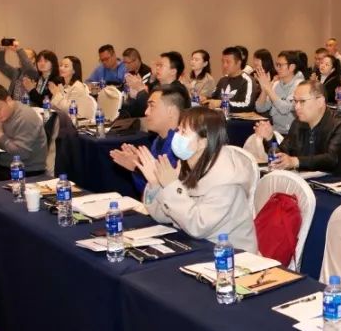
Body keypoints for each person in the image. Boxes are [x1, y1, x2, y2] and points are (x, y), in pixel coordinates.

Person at [139, 107, 258, 252]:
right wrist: (155, 185)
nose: (176, 136)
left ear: (203, 142)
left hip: (231, 256)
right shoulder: (189, 165)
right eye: (178, 130)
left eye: (184, 132)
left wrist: (171, 186)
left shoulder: (226, 178)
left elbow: (198, 226)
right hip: (200, 247)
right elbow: (166, 216)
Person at [253, 79, 341, 175]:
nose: (296, 107)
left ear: (320, 102)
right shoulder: (298, 124)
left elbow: (332, 159)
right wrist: (270, 138)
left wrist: (295, 161)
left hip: (338, 182)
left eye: (302, 101)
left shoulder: (340, 124)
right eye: (295, 101)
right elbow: (283, 156)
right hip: (306, 181)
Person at [110, 84, 188, 195]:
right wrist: (139, 165)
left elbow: (170, 194)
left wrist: (138, 167)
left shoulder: (181, 147)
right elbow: (146, 192)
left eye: (152, 106)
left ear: (170, 111)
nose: (146, 112)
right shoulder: (158, 140)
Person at [0, 84, 49, 178]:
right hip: (4, 166)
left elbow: (22, 154)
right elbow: (6, 145)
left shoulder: (25, 117)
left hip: (26, 171)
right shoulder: (3, 115)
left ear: (9, 100)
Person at [255, 50, 305, 135]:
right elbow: (260, 108)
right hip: (276, 130)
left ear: (292, 67)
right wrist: (264, 90)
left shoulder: (300, 86)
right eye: (276, 65)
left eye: (280, 65)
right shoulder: (277, 84)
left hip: (292, 133)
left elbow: (284, 109)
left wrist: (268, 89)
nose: (277, 68)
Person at [124, 51, 183, 118]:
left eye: (161, 66)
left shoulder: (177, 90)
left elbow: (154, 112)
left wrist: (141, 90)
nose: (157, 68)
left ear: (173, 71)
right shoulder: (157, 85)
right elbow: (138, 112)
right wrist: (134, 95)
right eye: (157, 65)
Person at [208, 46, 259, 112]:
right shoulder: (223, 80)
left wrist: (222, 103)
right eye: (223, 62)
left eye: (228, 62)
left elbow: (248, 105)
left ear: (238, 63)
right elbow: (214, 98)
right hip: (220, 116)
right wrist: (205, 99)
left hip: (238, 118)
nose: (224, 65)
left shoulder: (247, 81)